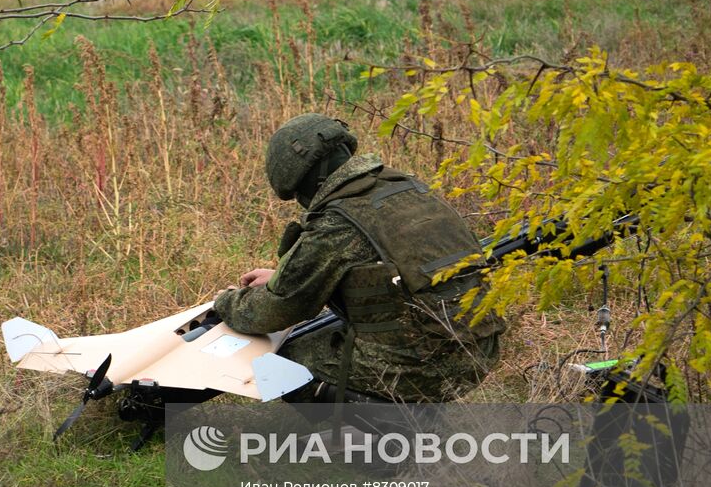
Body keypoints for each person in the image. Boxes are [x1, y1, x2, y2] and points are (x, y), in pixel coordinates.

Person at [213, 114, 505, 403]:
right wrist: (278, 277)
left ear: (303, 180)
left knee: (277, 365)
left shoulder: (337, 222)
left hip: (428, 366)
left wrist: (226, 302)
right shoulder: (408, 187)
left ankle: (393, 427)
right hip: (480, 349)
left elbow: (275, 311)